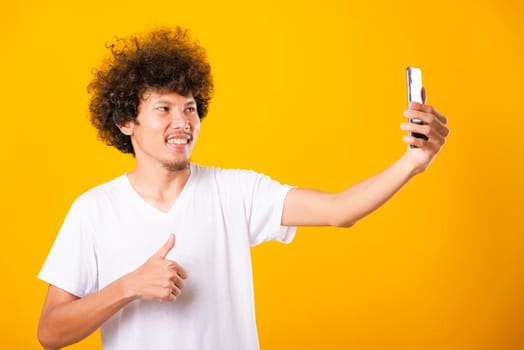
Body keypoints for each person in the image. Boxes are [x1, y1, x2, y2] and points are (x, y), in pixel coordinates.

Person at [37, 27, 449, 350]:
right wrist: (129, 287)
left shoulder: (234, 191)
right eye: (163, 108)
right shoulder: (93, 210)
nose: (182, 122)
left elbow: (340, 210)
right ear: (126, 122)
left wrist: (413, 162)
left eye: (190, 109)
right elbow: (50, 332)